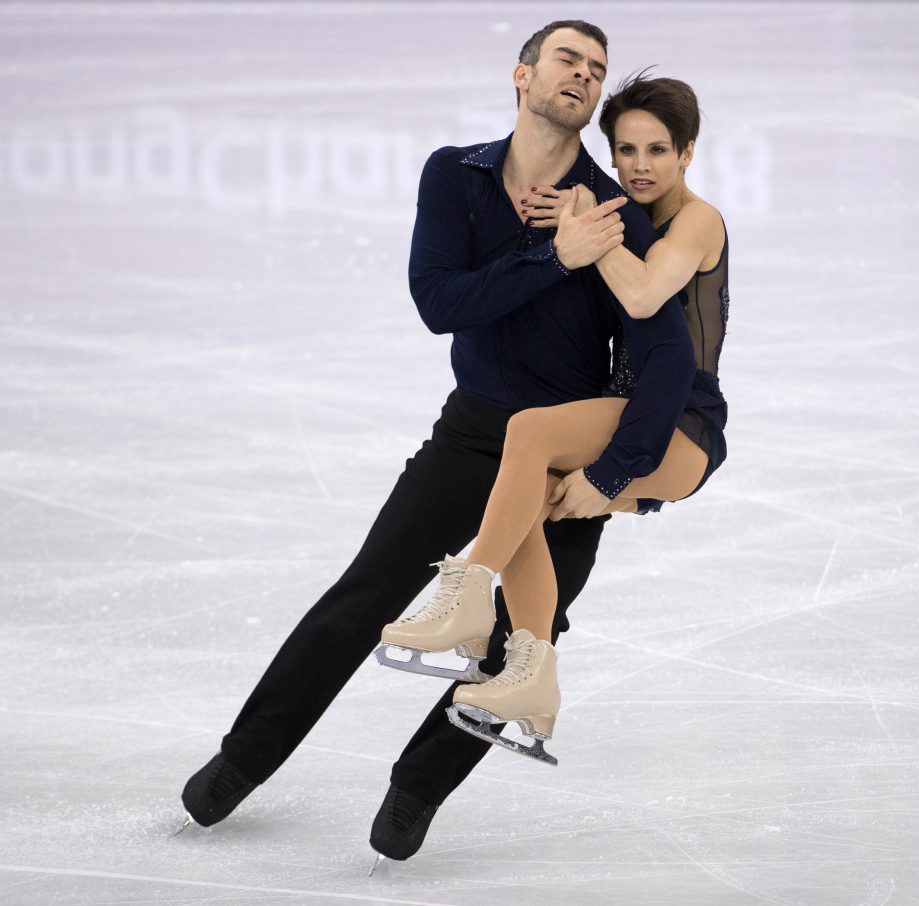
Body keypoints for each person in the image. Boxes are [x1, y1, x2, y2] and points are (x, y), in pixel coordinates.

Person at [176, 20, 696, 866]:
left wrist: (612, 472)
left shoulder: (613, 213)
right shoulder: (454, 176)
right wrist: (553, 258)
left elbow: (663, 353)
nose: (584, 75)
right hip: (473, 431)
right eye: (569, 59)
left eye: (597, 70)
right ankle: (244, 758)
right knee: (368, 593)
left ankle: (418, 788)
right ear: (522, 75)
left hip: (560, 452)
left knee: (525, 641)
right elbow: (438, 301)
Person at [378, 73, 729, 770]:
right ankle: (530, 679)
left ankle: (469, 600)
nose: (639, 166)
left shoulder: (696, 220)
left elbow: (647, 293)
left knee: (529, 432)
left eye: (657, 149)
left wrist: (587, 232)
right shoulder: (624, 215)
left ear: (687, 152)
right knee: (521, 509)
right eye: (625, 150)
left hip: (679, 427)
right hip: (628, 414)